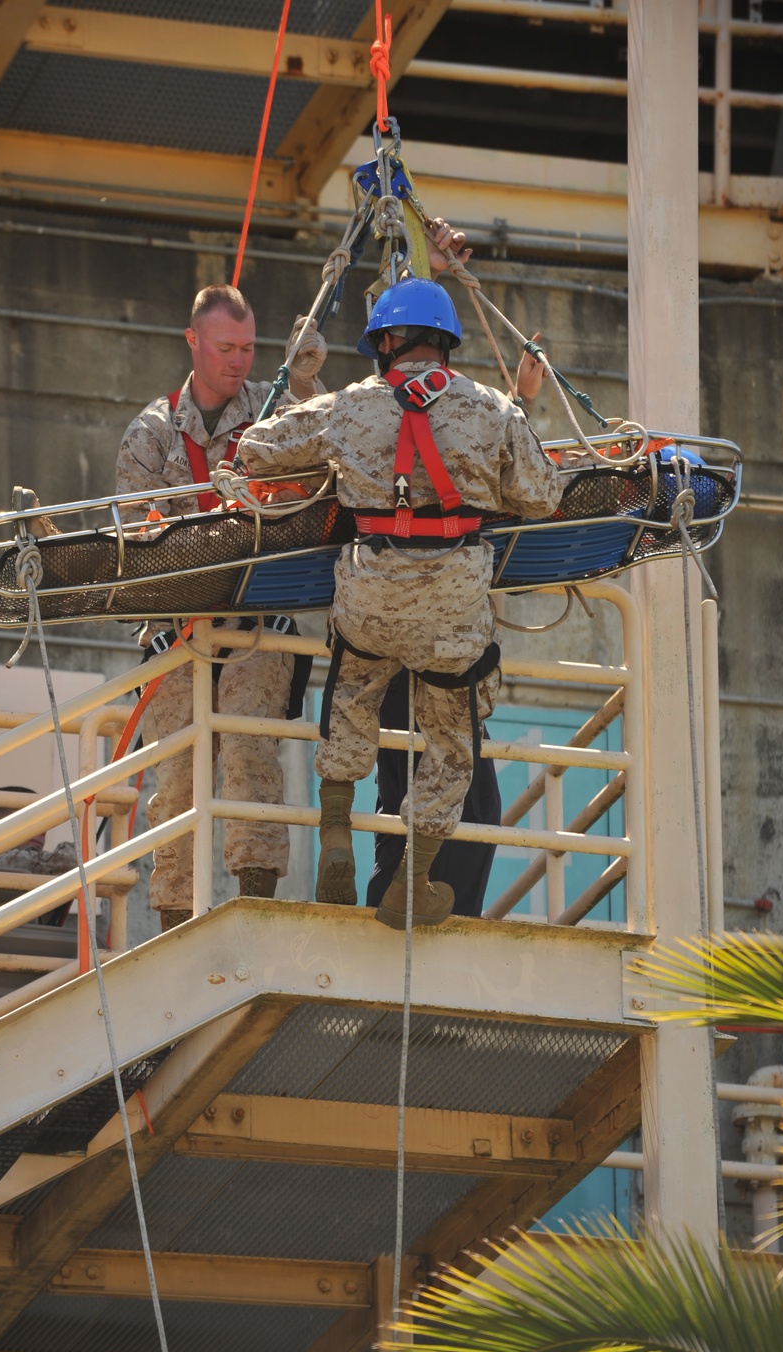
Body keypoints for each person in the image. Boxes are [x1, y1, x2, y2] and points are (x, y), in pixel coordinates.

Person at [234, 277, 563, 929]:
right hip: (453, 608)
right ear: (445, 343)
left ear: (385, 343)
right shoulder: (494, 409)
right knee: (451, 742)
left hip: (372, 594)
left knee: (352, 695)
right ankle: (415, 877)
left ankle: (335, 835)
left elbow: (256, 452)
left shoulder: (350, 405)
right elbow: (543, 494)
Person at [113, 284, 329, 931]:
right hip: (178, 627)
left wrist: (310, 380)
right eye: (225, 347)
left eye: (247, 347)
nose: (238, 360)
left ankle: (255, 902)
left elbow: (329, 444)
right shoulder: (152, 433)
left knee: (250, 753)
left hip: (254, 622)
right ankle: (176, 920)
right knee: (176, 778)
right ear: (194, 343)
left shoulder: (271, 411)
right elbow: (133, 533)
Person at [366, 670, 502, 917]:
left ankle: (387, 893)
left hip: (391, 667)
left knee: (399, 801)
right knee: (470, 804)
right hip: (444, 663)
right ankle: (411, 892)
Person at [0, 786, 75, 925]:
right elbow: (76, 860)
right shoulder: (3, 861)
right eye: (32, 820)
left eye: (44, 823)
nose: (43, 830)